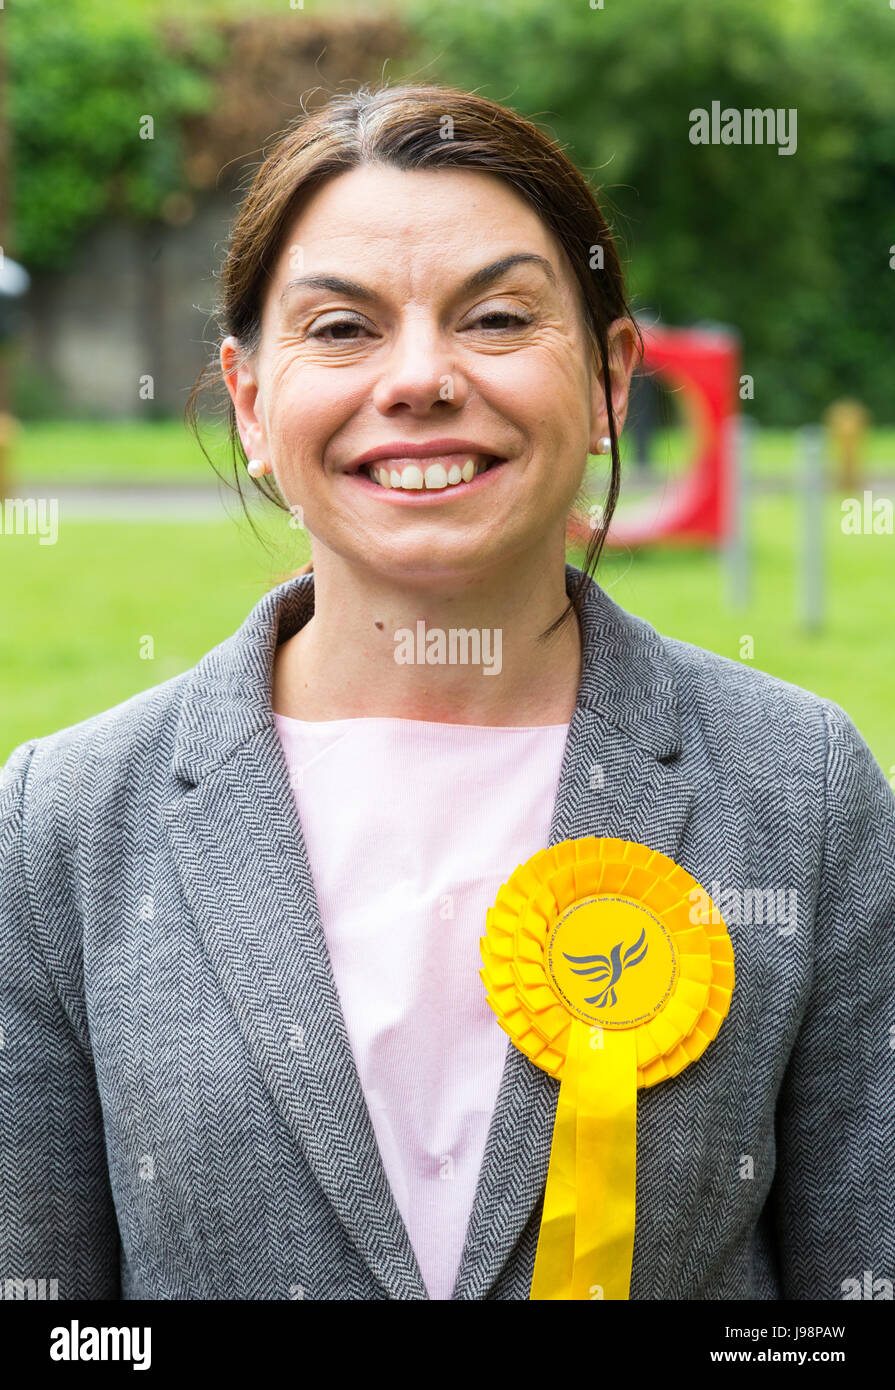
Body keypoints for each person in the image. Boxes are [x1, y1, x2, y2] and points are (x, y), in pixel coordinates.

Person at [1, 82, 893, 1302]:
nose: (419, 378)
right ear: (253, 400)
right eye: (341, 329)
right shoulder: (60, 823)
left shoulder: (806, 789)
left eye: (497, 316)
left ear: (608, 382)